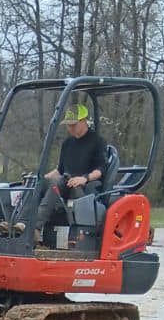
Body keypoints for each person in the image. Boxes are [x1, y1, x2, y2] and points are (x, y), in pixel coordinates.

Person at [33, 103, 108, 245]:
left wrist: (84, 178)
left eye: (73, 124)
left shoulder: (97, 142)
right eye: (68, 125)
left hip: (83, 189)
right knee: (39, 184)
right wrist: (41, 179)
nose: (70, 128)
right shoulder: (67, 143)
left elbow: (101, 170)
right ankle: (21, 224)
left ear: (84, 121)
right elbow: (59, 170)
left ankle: (35, 228)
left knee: (59, 182)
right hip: (63, 184)